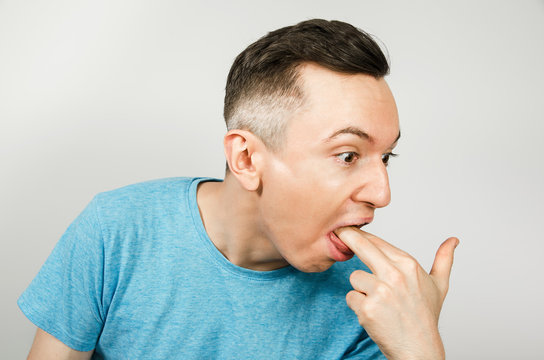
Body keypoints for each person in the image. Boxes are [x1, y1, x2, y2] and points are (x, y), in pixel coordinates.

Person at [18, 19, 459, 359]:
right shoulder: (116, 231)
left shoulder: (373, 305)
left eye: (386, 157)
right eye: (347, 155)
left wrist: (419, 348)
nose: (381, 193)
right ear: (246, 159)